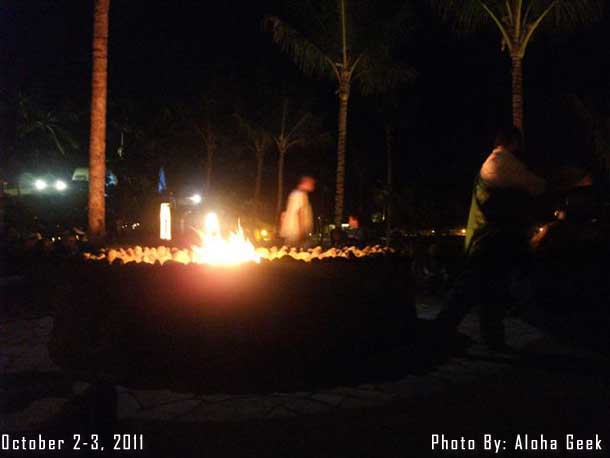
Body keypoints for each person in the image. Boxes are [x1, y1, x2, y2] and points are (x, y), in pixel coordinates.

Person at [435, 127, 546, 350]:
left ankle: (481, 337)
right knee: (474, 289)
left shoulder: (495, 161)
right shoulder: (504, 162)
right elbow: (536, 186)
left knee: (486, 289)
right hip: (489, 238)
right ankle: (443, 331)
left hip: (488, 238)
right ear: (513, 142)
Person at [279, 176, 315, 247]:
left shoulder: (296, 194)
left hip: (293, 233)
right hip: (296, 233)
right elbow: (299, 212)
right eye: (311, 183)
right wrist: (301, 231)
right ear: (305, 183)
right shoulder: (299, 195)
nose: (313, 186)